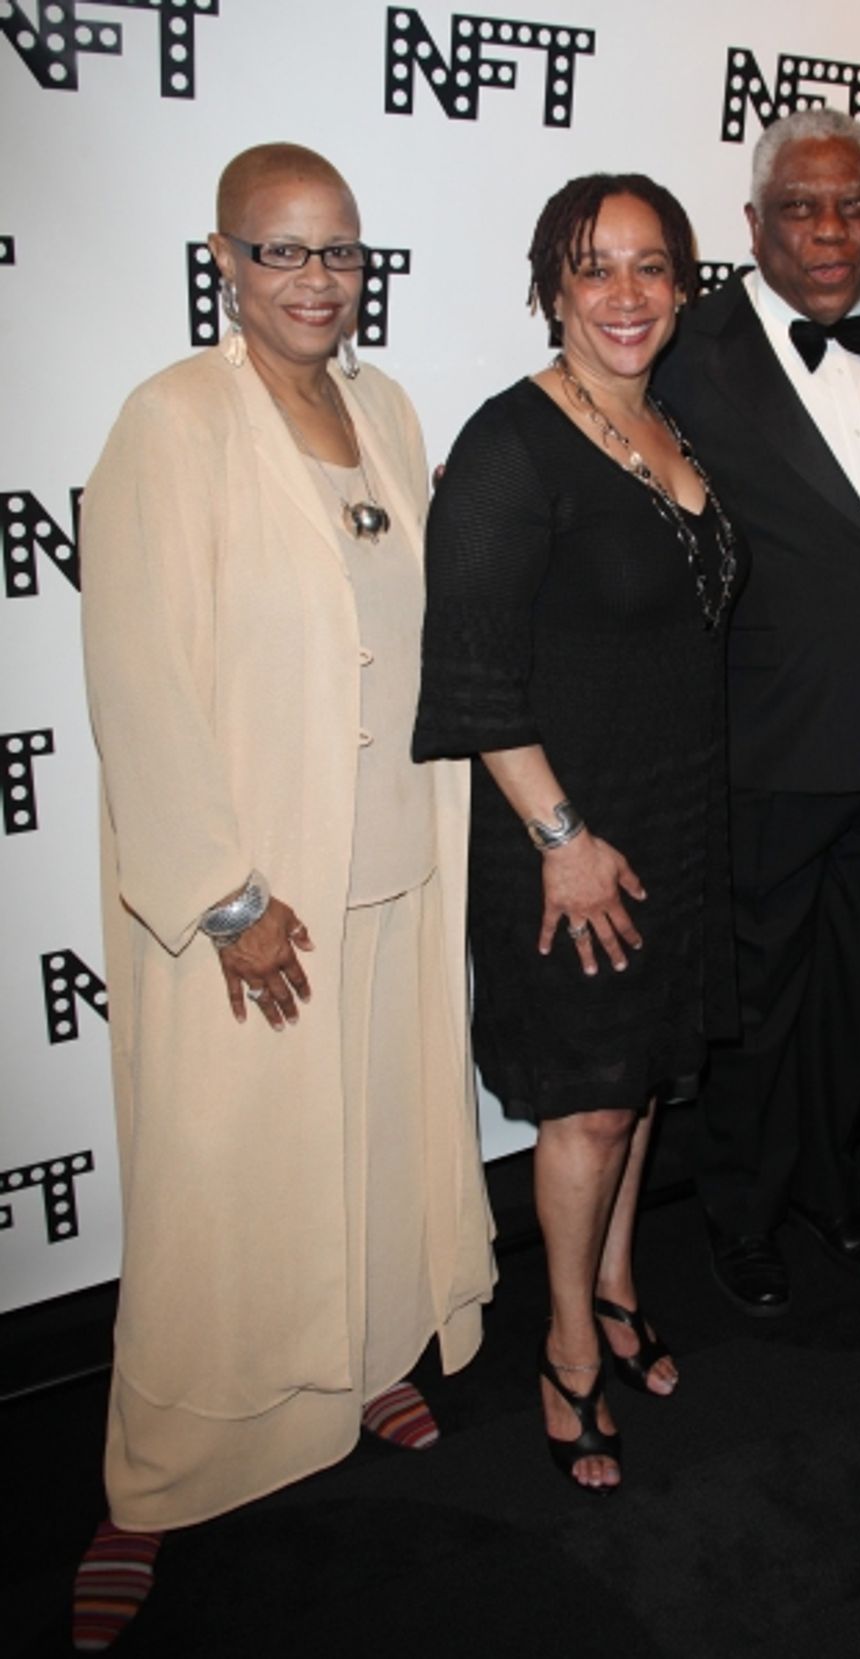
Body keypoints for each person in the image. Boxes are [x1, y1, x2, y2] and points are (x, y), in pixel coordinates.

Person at [73, 143, 494, 1649]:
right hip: (257, 896)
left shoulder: (386, 412)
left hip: (390, 859)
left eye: (337, 251)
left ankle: (365, 1359)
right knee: (219, 1192)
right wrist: (227, 892)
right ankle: (153, 1480)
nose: (315, 279)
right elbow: (136, 674)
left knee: (374, 1147)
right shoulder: (171, 423)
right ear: (225, 262)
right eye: (280, 252)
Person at [414, 175, 741, 1491]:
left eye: (651, 266)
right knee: (590, 1109)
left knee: (642, 1079)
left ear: (681, 284)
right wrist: (561, 834)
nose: (625, 293)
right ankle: (565, 1353)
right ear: (552, 284)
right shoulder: (510, 442)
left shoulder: (669, 421)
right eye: (594, 267)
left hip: (674, 809)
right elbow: (474, 672)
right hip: (568, 833)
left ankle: (614, 1284)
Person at [654, 109, 860, 1311]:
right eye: (801, 207)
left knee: (853, 990)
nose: (831, 230)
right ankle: (739, 1212)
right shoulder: (689, 353)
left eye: (852, 206)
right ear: (753, 225)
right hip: (772, 744)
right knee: (759, 997)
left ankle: (828, 1187)